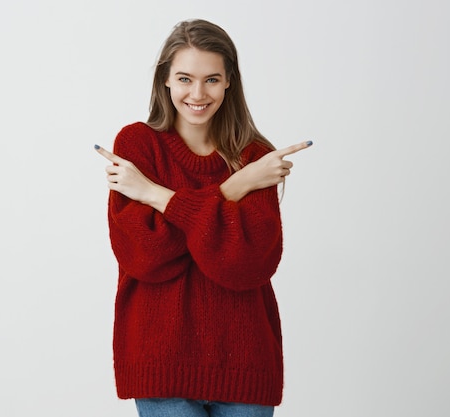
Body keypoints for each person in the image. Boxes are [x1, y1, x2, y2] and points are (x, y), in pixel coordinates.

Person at [95, 19, 312, 417]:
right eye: (184, 78)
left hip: (245, 362)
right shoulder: (138, 145)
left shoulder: (254, 157)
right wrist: (233, 189)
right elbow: (144, 256)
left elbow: (247, 266)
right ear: (165, 80)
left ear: (230, 81)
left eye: (212, 79)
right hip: (161, 362)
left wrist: (157, 196)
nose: (198, 94)